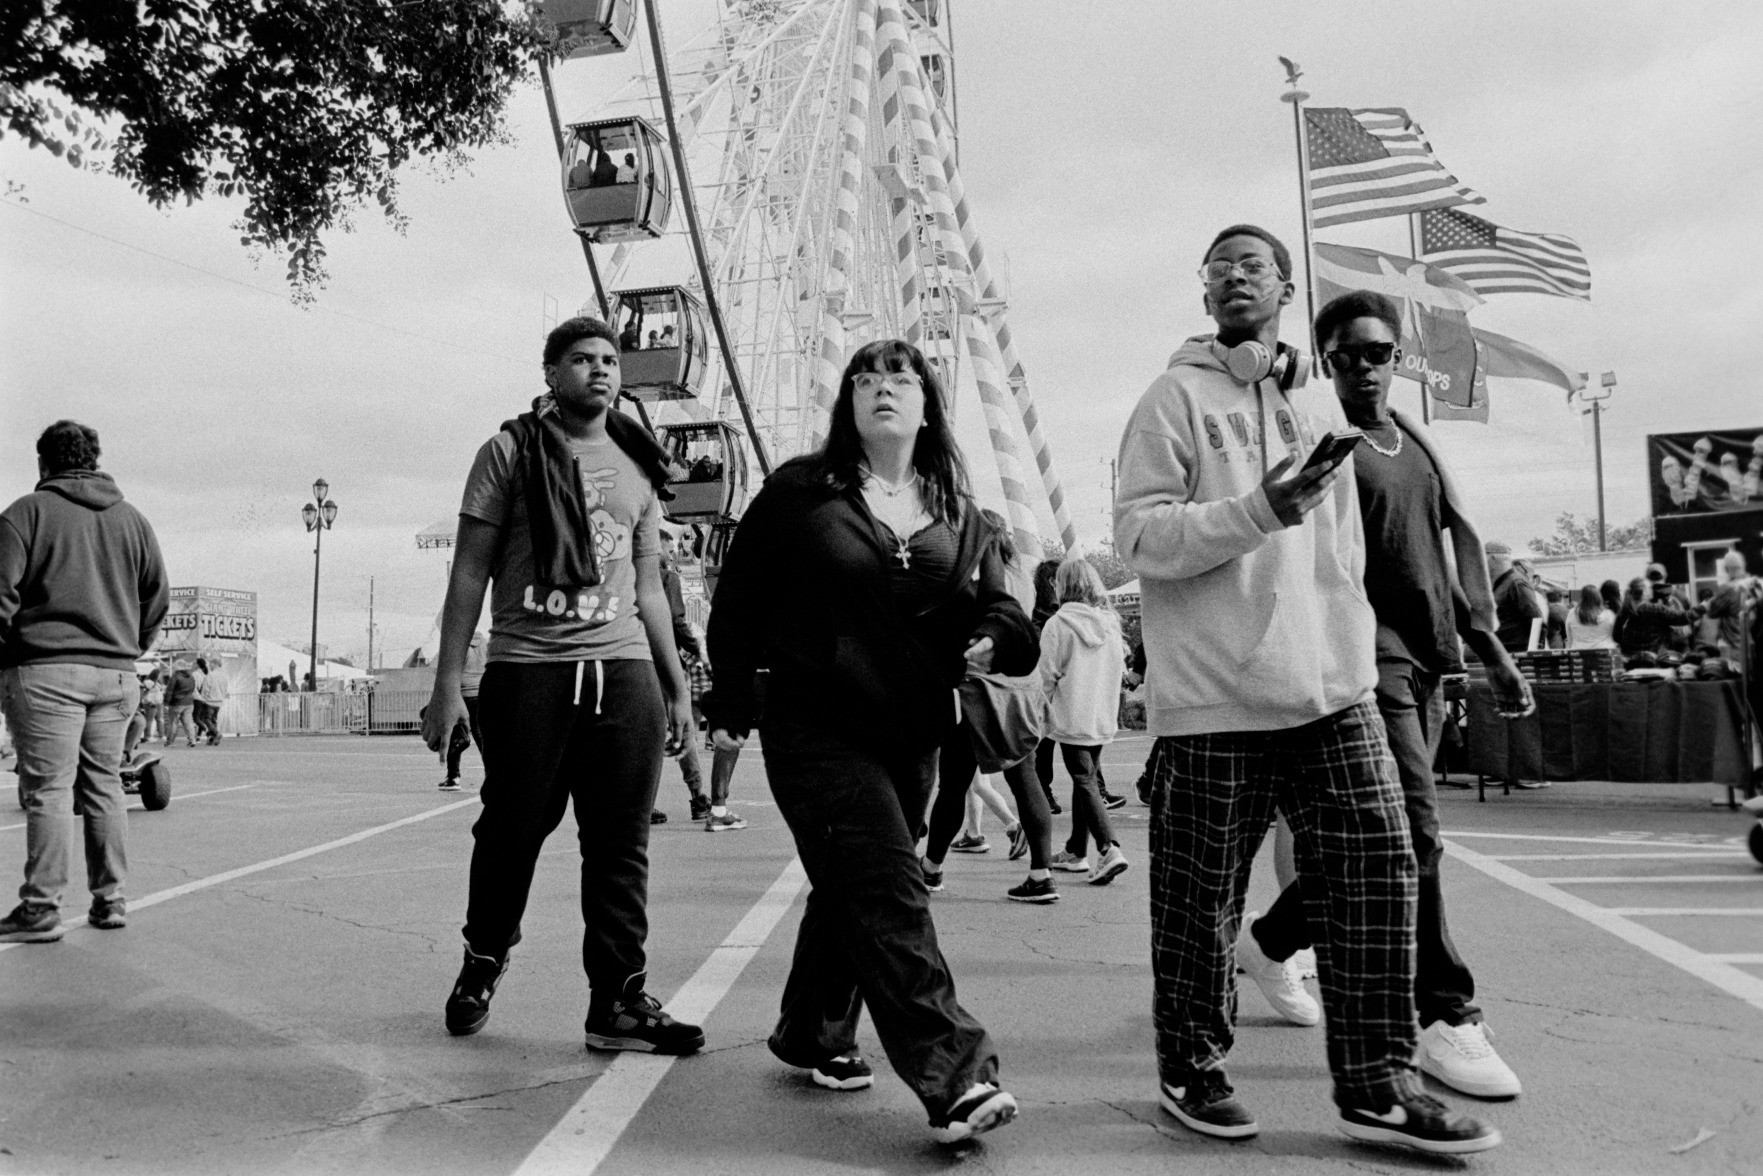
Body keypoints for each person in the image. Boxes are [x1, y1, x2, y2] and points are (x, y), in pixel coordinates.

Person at [1115, 226, 1498, 1154]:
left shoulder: (1321, 402)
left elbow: (1349, 552)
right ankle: (1191, 1066)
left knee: (1380, 863)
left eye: (1253, 263)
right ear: (1202, 291)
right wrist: (1257, 511)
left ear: (1286, 287)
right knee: (1198, 898)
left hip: (1334, 690)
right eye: (1217, 264)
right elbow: (1136, 538)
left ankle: (1376, 1080)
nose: (1234, 274)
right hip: (1216, 700)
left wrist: (1369, 653)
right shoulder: (1172, 400)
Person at [705, 338, 1036, 1144]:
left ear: (927, 404)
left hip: (911, 731)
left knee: (851, 882)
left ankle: (811, 1031)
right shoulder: (797, 493)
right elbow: (737, 602)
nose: (882, 388)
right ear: (847, 404)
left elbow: (1007, 616)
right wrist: (732, 696)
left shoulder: (961, 517)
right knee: (888, 883)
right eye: (865, 378)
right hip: (813, 725)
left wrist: (993, 634)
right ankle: (954, 1073)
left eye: (901, 377)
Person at [1235, 290, 1529, 1101]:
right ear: (1323, 363)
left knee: (1382, 842)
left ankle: (1269, 939)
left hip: (1431, 659)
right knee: (1419, 833)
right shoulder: (1323, 444)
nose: (1361, 367)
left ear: (1397, 359)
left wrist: (1491, 651)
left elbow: (1449, 555)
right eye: (1344, 356)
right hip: (1367, 659)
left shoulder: (1418, 445)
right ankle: (1445, 1014)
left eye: (1376, 353)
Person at [420, 316, 704, 1055]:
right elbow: (469, 574)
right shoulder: (508, 452)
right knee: (510, 833)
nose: (600, 370)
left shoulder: (638, 461)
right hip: (529, 673)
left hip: (623, 672)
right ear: (551, 373)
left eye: (610, 360)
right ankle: (483, 958)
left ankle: (617, 1001)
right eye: (581, 359)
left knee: (619, 844)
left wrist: (676, 691)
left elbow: (648, 591)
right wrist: (448, 684)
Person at [0, 420, 168, 942]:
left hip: (47, 671)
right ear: (94, 462)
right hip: (117, 676)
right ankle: (110, 900)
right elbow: (156, 597)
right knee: (104, 788)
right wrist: (127, 644)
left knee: (48, 791)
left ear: (43, 464)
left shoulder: (25, 515)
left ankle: (41, 909)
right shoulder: (133, 521)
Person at [918, 509, 1059, 904]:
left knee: (955, 782)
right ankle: (1041, 873)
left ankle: (931, 869)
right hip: (1022, 688)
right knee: (1025, 777)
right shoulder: (1023, 578)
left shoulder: (976, 580)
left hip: (980, 692)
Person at [1040, 557, 1130, 884]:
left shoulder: (1058, 624)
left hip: (1071, 716)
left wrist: (1039, 715)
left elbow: (1046, 676)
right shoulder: (1110, 624)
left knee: (1084, 781)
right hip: (1102, 717)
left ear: (1062, 585)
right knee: (1087, 781)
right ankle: (1076, 851)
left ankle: (1109, 848)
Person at [438, 632, 487, 791]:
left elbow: (451, 670)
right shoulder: (483, 644)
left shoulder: (459, 643)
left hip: (463, 693)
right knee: (480, 734)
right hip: (480, 691)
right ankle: (491, 773)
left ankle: (453, 777)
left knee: (455, 733)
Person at [1486, 543, 1542, 653]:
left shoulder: (1516, 583)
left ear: (1492, 558)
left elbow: (1536, 619)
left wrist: (1534, 653)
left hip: (1517, 653)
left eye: (1482, 557)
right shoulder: (1502, 583)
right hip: (1505, 652)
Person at [1706, 551, 1762, 659]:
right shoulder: (1755, 585)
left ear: (1726, 569)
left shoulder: (1729, 589)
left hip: (1733, 647)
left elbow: (1711, 612)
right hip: (1752, 644)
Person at [1613, 576, 1685, 657]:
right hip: (1655, 655)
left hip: (1631, 656)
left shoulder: (1624, 611)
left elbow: (1616, 636)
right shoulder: (1655, 608)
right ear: (1645, 592)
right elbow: (1682, 619)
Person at [1566, 584, 1616, 649]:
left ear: (1582, 597)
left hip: (1579, 653)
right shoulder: (1608, 614)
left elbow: (1569, 637)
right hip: (1602, 653)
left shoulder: (1572, 613)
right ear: (1598, 597)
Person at [162, 659, 198, 747]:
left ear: (177, 667)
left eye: (174, 666)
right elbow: (193, 688)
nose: (173, 667)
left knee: (173, 722)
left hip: (177, 703)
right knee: (188, 722)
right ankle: (192, 740)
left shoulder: (175, 676)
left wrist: (166, 703)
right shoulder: (191, 676)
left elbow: (169, 691)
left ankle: (169, 742)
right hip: (189, 702)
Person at [195, 657, 227, 744]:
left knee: (206, 719)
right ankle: (212, 739)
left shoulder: (211, 675)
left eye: (210, 664)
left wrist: (202, 698)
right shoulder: (224, 676)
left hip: (210, 701)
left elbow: (206, 688)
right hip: (219, 701)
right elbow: (225, 689)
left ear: (214, 664)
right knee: (213, 720)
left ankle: (216, 734)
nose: (209, 666)